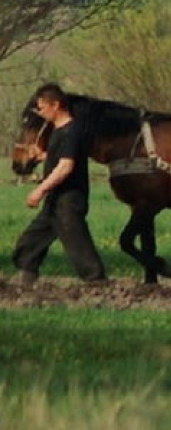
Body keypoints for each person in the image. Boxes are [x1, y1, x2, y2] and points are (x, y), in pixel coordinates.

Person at [12, 83, 107, 286]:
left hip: (69, 199)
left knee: (77, 243)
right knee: (31, 240)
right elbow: (62, 156)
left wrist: (40, 190)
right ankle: (27, 277)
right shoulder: (59, 131)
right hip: (56, 199)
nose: (41, 112)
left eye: (42, 107)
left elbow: (66, 166)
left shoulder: (71, 131)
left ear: (56, 105)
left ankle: (97, 283)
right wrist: (44, 156)